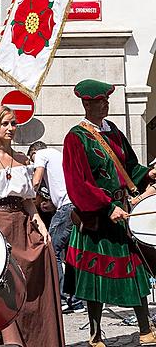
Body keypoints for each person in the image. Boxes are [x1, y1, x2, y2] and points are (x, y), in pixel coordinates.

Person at [63, 79, 156, 347]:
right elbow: (78, 183)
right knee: (94, 282)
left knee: (137, 273)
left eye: (106, 99)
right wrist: (106, 206)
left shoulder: (113, 130)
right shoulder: (76, 137)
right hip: (96, 220)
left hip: (122, 213)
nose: (106, 104)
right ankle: (95, 335)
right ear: (87, 104)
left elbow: (129, 165)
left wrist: (147, 174)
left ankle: (144, 329)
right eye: (100, 100)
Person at [0, 105, 65, 347]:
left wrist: (40, 225)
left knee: (33, 281)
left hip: (22, 226)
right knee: (3, 290)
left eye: (13, 123)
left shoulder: (22, 160)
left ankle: (37, 340)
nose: (11, 128)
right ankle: (6, 341)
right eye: (5, 123)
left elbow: (28, 202)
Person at [29, 140, 84, 314]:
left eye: (32, 159)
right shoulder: (59, 156)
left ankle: (60, 299)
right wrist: (52, 205)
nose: (33, 162)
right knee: (71, 254)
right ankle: (76, 301)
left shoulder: (41, 154)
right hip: (75, 206)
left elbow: (36, 180)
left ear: (34, 153)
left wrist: (27, 198)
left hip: (66, 208)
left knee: (51, 251)